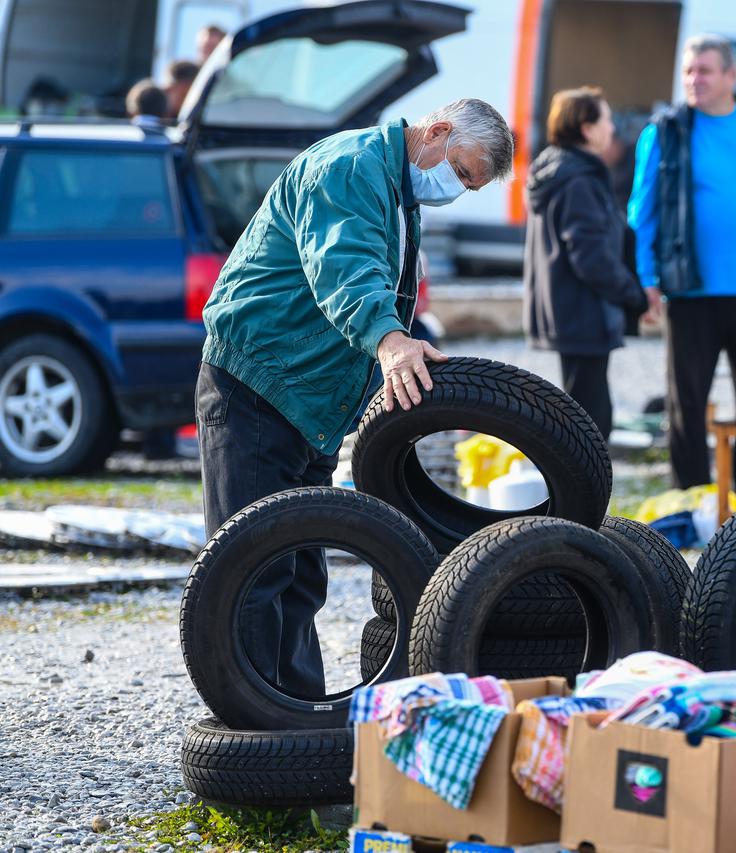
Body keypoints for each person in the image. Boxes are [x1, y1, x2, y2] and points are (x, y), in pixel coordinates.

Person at [197, 99, 513, 696]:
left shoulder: (398, 192)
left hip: (312, 402)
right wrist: (391, 343)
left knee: (300, 574)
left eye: (470, 186)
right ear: (438, 132)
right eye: (462, 172)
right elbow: (345, 267)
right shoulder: (349, 166)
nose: (457, 190)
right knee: (252, 569)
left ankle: (297, 714)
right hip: (259, 384)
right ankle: (252, 720)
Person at [628, 34, 736, 489]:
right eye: (688, 71)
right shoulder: (665, 131)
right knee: (686, 403)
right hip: (690, 288)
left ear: (731, 75)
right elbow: (643, 212)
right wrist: (647, 276)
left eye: (703, 70)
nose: (693, 80)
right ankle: (690, 498)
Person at [523, 87, 646, 438]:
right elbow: (591, 257)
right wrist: (634, 296)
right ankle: (580, 477)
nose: (612, 128)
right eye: (606, 120)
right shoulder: (578, 179)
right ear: (587, 129)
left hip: (571, 313)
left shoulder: (559, 170)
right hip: (583, 314)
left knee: (581, 413)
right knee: (590, 423)